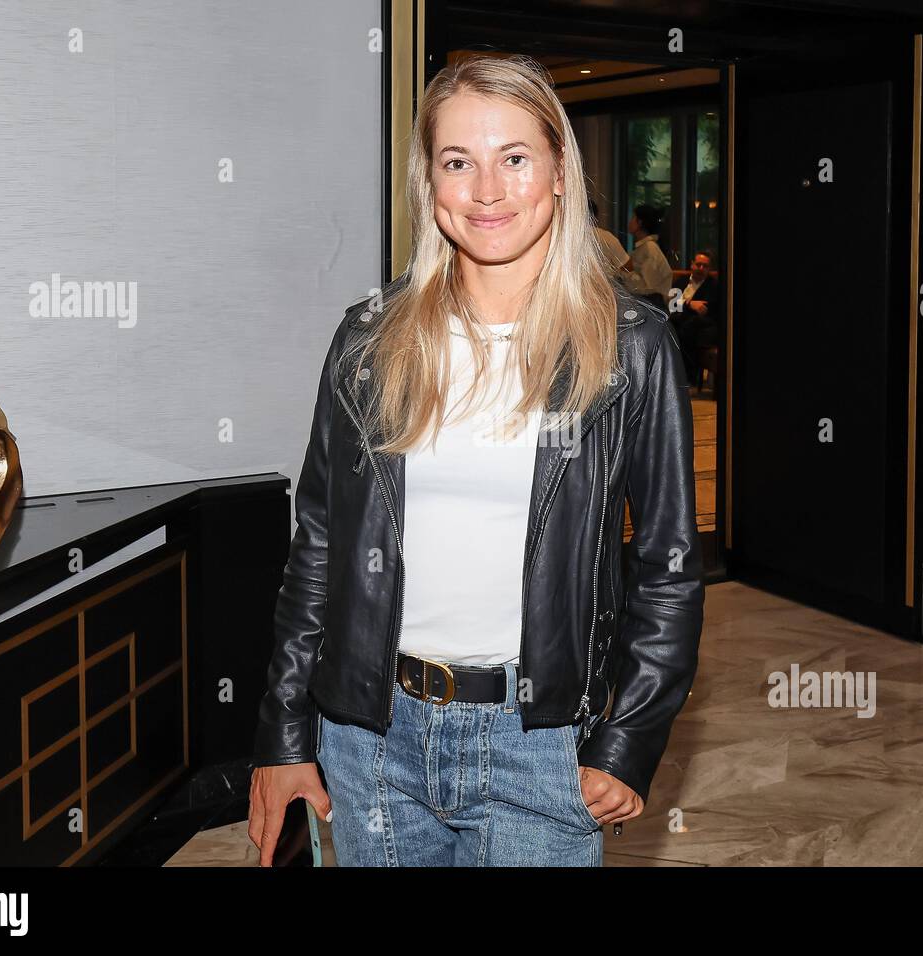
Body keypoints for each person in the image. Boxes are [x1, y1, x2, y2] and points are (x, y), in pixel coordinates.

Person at [248, 53, 703, 868]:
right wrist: (284, 735)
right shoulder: (368, 338)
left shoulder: (632, 348)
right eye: (458, 162)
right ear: (430, 183)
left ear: (560, 172)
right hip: (370, 738)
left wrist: (628, 737)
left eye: (515, 158)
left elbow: (667, 566)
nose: (487, 190)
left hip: (540, 742)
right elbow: (316, 548)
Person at [670, 250, 721, 388]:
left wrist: (685, 305)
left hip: (703, 324)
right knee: (670, 324)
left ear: (709, 269)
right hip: (679, 319)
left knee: (688, 329)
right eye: (698, 264)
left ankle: (688, 378)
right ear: (692, 264)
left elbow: (704, 309)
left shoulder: (714, 285)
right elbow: (672, 305)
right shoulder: (680, 282)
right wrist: (689, 303)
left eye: (705, 266)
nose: (701, 269)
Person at [625, 204, 674, 309]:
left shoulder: (650, 249)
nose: (630, 221)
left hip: (654, 307)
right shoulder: (643, 248)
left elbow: (649, 288)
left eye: (633, 218)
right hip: (646, 304)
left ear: (640, 222)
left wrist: (626, 273)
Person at [589, 197, 632, 279]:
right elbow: (627, 266)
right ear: (595, 217)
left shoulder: (566, 238)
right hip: (603, 286)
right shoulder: (606, 237)